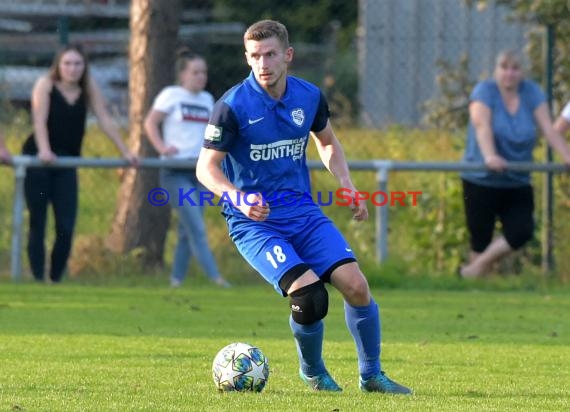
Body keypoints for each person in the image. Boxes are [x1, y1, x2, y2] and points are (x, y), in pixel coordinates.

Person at [196, 19, 411, 394]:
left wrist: (345, 183)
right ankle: (313, 373)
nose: (262, 64)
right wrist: (239, 197)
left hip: (303, 212)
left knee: (356, 286)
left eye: (270, 55)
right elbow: (206, 168)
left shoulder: (308, 97)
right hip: (255, 223)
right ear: (247, 59)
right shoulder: (231, 106)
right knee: (310, 295)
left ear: (287, 56)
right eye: (254, 56)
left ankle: (372, 375)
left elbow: (327, 143)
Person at [22, 43, 137, 283]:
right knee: (38, 221)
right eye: (67, 64)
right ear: (58, 66)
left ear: (84, 67)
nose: (72, 69)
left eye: (77, 64)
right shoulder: (45, 85)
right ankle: (37, 278)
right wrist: (44, 150)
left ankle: (55, 278)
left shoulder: (88, 89)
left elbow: (105, 120)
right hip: (40, 161)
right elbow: (39, 121)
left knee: (65, 224)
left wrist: (125, 151)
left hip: (68, 161)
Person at [459, 50, 570, 278]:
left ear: (522, 72)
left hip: (516, 178)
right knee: (480, 241)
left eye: (515, 68)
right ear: (496, 70)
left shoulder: (532, 93)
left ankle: (471, 272)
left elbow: (549, 129)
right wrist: (490, 156)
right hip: (482, 178)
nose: (509, 73)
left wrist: (567, 156)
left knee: (522, 230)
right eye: (505, 67)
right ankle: (475, 293)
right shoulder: (485, 91)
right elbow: (482, 127)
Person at [144, 49, 230, 288]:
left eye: (203, 72)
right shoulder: (171, 95)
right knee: (196, 226)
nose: (201, 77)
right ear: (182, 74)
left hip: (200, 172)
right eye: (195, 72)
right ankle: (217, 278)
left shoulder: (207, 100)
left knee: (186, 230)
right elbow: (150, 122)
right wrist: (162, 146)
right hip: (175, 171)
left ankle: (176, 280)